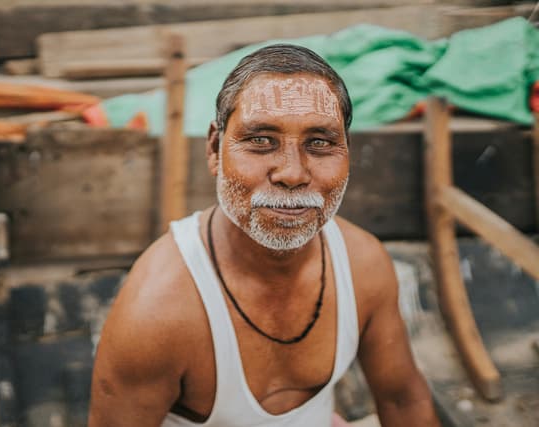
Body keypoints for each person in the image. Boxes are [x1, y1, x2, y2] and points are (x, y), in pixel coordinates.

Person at [89, 44, 441, 427]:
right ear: (214, 148)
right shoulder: (159, 313)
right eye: (260, 140)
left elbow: (403, 401)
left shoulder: (363, 265)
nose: (292, 173)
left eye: (320, 142)